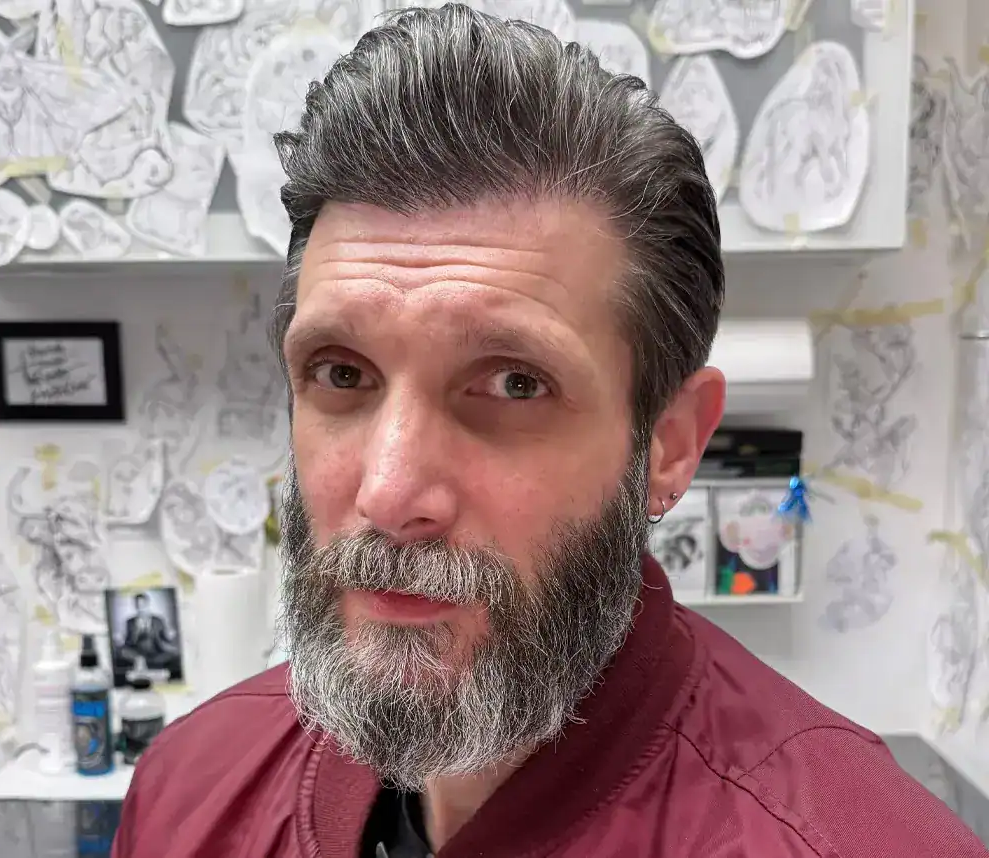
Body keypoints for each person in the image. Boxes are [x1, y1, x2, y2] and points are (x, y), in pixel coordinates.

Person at [112, 6, 988, 857]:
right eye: (342, 374)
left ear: (670, 445)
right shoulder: (190, 793)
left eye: (514, 383)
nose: (388, 493)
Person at [114, 593, 181, 680]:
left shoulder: (158, 620)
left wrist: (170, 636)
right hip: (136, 651)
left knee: (174, 653)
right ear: (135, 606)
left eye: (142, 605)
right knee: (121, 651)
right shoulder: (130, 622)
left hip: (155, 651)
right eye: (138, 605)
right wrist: (120, 639)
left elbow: (165, 638)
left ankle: (146, 663)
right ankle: (141, 660)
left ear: (147, 604)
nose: (140, 608)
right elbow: (127, 641)